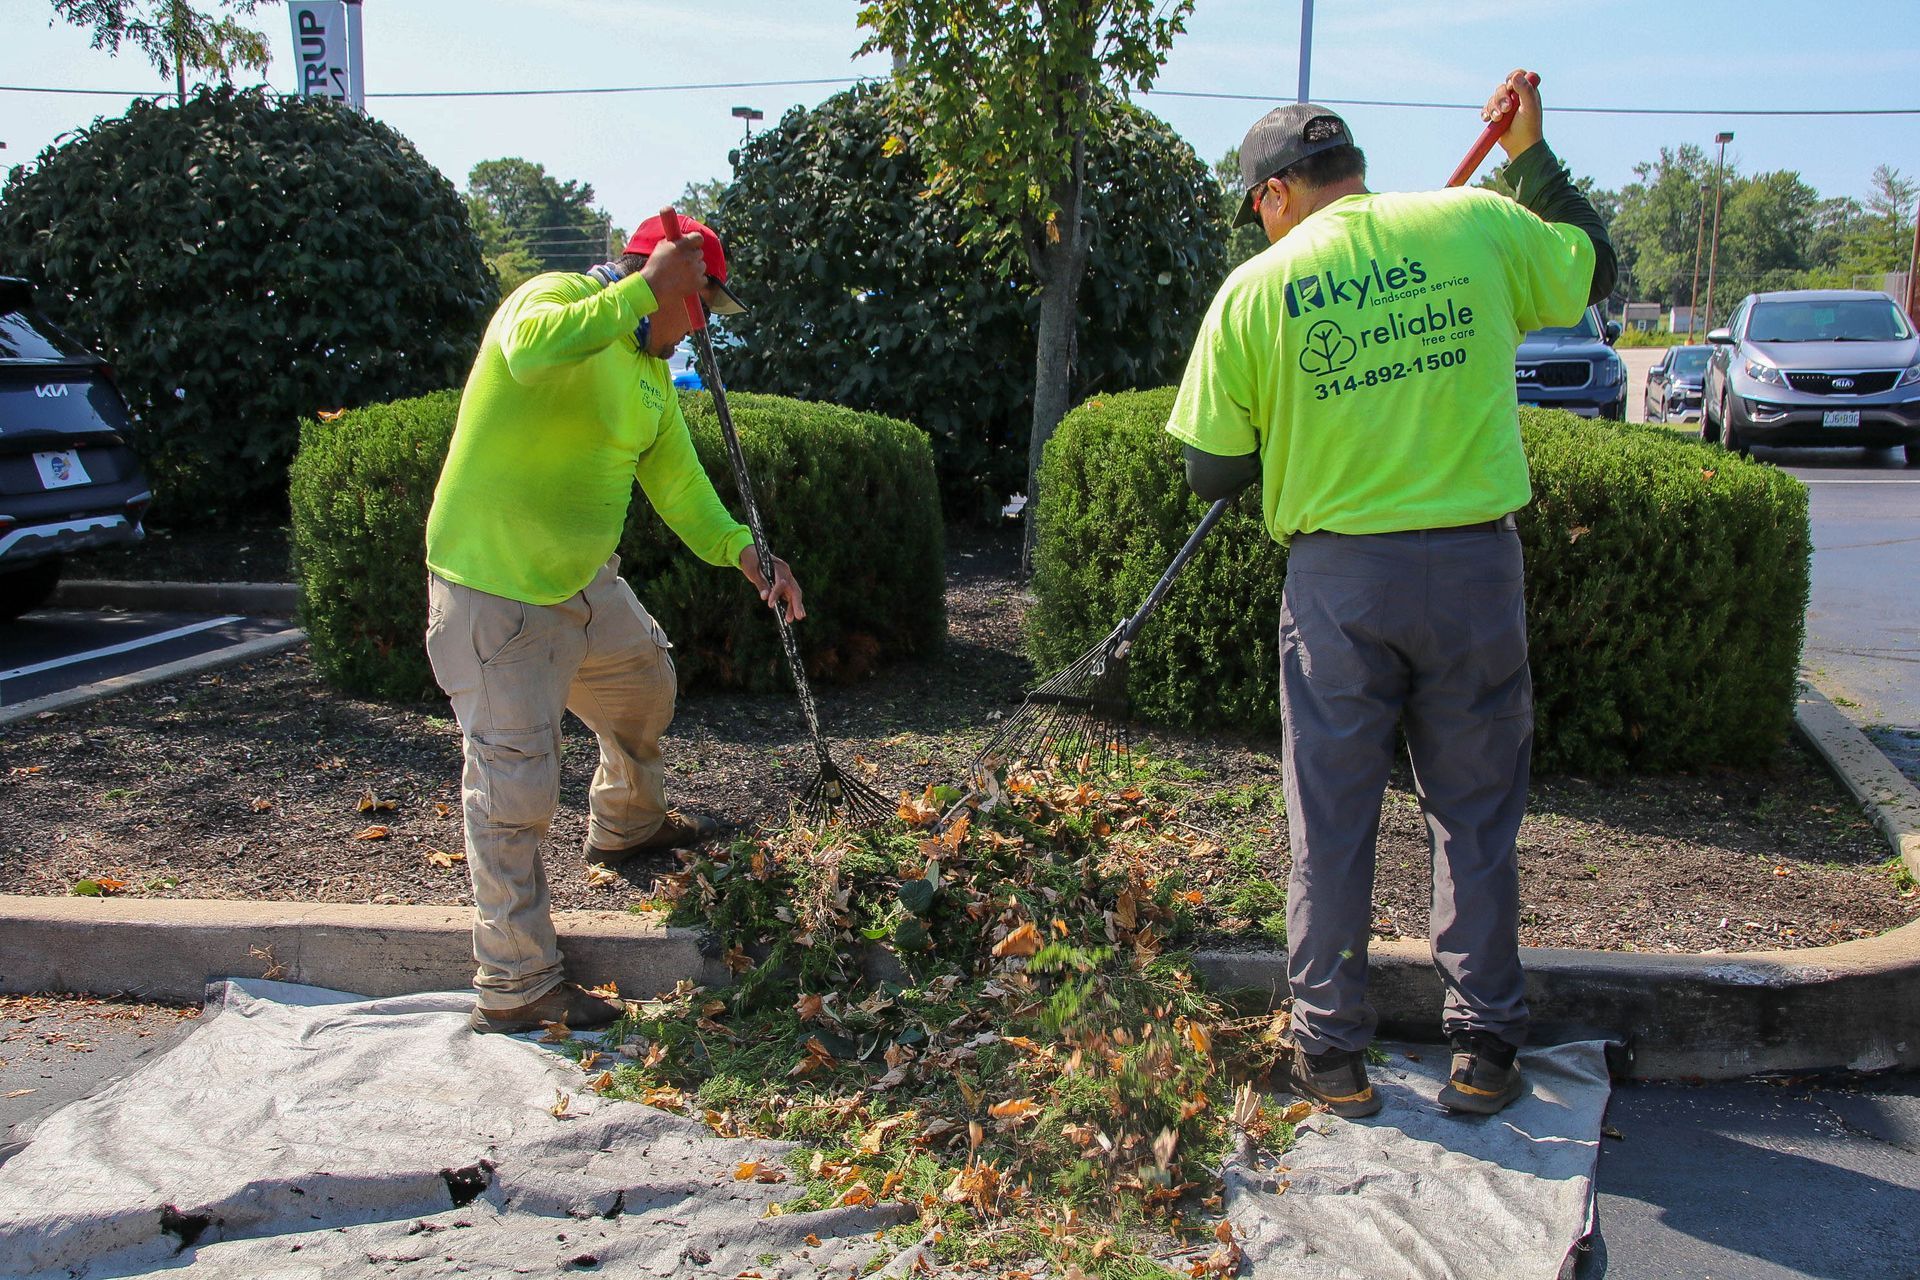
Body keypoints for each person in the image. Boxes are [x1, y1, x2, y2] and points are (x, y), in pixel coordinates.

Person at [1166, 71, 1615, 1117]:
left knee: (1329, 821)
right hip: (1473, 571)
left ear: (1277, 195)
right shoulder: (1475, 224)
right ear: (1353, 170)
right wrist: (1530, 156)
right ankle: (1486, 1048)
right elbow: (1590, 264)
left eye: (1255, 209)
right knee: (1475, 816)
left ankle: (1332, 1056)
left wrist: (1300, 416)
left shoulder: (1258, 287)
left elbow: (1209, 469)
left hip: (1340, 587)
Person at [424, 213, 805, 1035]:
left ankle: (626, 824)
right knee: (514, 788)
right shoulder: (555, 298)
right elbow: (528, 353)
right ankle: (516, 984)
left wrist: (747, 553)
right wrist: (638, 287)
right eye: (702, 305)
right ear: (670, 280)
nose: (702, 328)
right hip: (497, 591)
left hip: (583, 586)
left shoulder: (649, 373)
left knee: (644, 683)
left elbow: (680, 486)